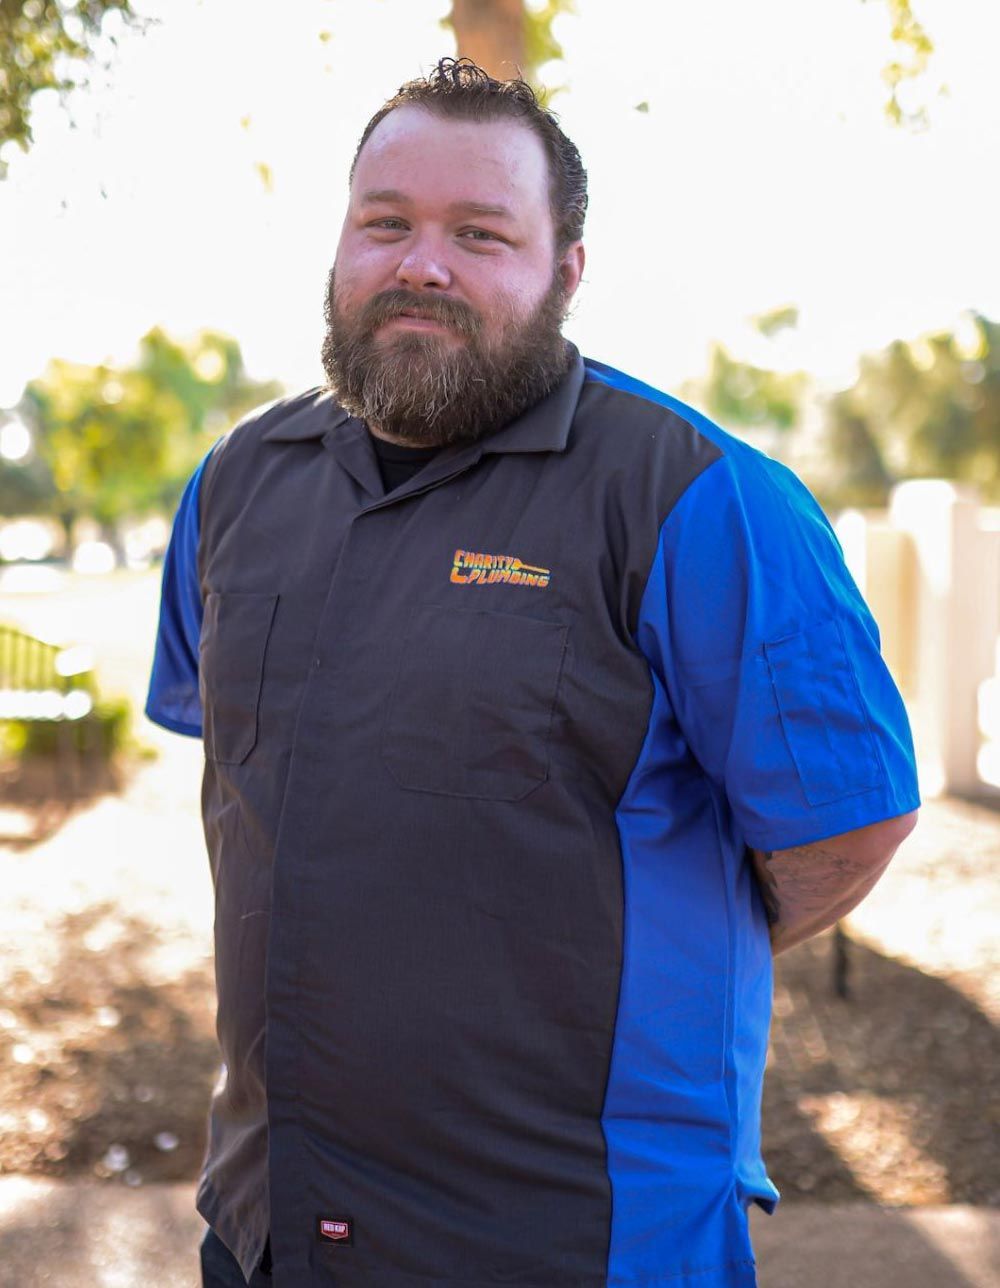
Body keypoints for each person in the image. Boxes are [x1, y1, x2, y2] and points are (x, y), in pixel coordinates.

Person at [146, 57, 919, 1288]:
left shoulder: (699, 500)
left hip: (578, 1240)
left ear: (565, 269)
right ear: (340, 243)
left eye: (480, 233)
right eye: (385, 223)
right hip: (269, 1225)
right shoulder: (240, 483)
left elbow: (849, 826)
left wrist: (616, 953)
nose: (421, 264)